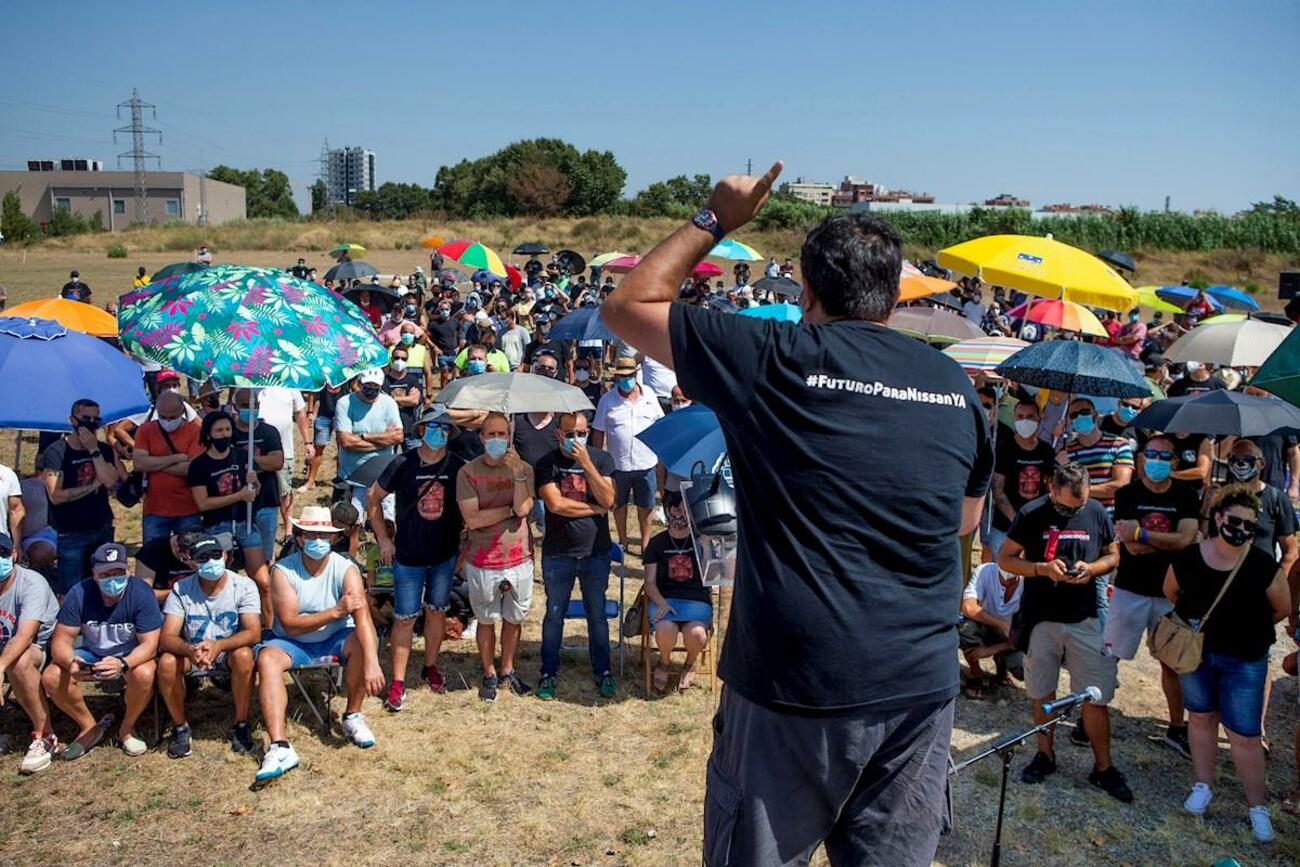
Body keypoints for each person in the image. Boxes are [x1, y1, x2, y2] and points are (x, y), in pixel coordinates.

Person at [602, 166, 994, 866]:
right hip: (918, 684)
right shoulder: (952, 384)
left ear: (806, 291)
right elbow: (965, 520)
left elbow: (630, 303)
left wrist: (716, 217)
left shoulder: (776, 358)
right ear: (894, 294)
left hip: (794, 681)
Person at [998, 463, 1132, 802]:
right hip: (1040, 619)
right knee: (1041, 692)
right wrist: (1041, 569)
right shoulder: (1031, 513)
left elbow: (1113, 555)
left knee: (1094, 696)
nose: (1074, 512)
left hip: (1084, 618)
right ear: (1051, 489)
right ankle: (1045, 755)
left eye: (1079, 505)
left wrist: (1093, 568)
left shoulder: (1096, 511)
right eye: (1066, 507)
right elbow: (1006, 559)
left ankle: (1103, 768)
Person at [1165, 485, 1290, 843]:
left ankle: (1257, 808)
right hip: (1198, 656)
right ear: (1218, 518)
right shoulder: (1189, 558)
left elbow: (1281, 608)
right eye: (1235, 521)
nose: (1241, 530)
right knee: (1201, 718)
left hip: (1245, 660)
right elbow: (1171, 592)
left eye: (1250, 525)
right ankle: (1202, 785)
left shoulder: (1262, 565)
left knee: (1245, 735)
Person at [255, 507, 385, 783]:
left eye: (324, 535)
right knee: (267, 659)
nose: (318, 540)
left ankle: (352, 715)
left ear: (334, 538)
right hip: (292, 641)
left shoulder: (346, 568)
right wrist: (335, 612)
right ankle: (279, 745)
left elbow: (362, 617)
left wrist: (373, 662)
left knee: (364, 642)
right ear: (299, 538)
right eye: (311, 534)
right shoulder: (282, 570)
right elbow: (290, 624)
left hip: (334, 638)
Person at [1104, 436, 1200, 756]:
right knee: (1110, 655)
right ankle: (1092, 712)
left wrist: (1142, 533)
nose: (1156, 460)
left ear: (1175, 462)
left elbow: (1186, 539)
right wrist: (1169, 541)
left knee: (1172, 664)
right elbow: (1131, 547)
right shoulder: (1127, 494)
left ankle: (1176, 727)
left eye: (1164, 456)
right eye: (1151, 454)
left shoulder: (1186, 496)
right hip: (1130, 588)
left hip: (1172, 592)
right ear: (1142, 457)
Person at [369, 408, 465, 707]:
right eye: (433, 426)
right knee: (405, 617)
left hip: (444, 555)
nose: (439, 432)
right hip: (408, 555)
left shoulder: (458, 465)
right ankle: (398, 682)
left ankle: (430, 666)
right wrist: (384, 539)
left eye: (445, 428)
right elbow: (373, 498)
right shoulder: (403, 462)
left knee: (437, 612)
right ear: (421, 429)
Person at [43, 543, 161, 760]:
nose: (113, 579)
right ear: (95, 574)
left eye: (118, 572)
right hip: (92, 652)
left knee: (145, 673)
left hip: (130, 654)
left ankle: (127, 727)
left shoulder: (142, 593)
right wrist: (71, 662)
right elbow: (60, 642)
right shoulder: (79, 593)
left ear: (128, 571)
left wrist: (123, 664)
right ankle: (89, 726)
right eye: (106, 574)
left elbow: (150, 645)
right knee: (52, 676)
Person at [534, 413, 617, 700]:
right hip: (559, 553)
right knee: (554, 614)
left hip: (595, 551)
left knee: (597, 616)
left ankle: (603, 671)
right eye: (569, 434)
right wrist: (595, 510)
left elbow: (609, 499)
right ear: (558, 434)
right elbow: (556, 505)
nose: (576, 439)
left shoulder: (602, 459)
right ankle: (548, 672)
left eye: (581, 433)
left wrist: (586, 464)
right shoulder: (546, 463)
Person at [156, 534, 261, 758]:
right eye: (203, 558)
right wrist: (190, 651)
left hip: (227, 652)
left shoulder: (243, 585)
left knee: (244, 655)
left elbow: (253, 632)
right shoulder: (181, 589)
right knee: (167, 662)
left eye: (215, 555)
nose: (211, 562)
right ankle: (180, 727)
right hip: (193, 653)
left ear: (225, 556)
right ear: (192, 563)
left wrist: (219, 645)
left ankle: (241, 724)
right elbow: (167, 637)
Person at [456, 413, 535, 703]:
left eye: (503, 434)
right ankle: (489, 672)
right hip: (483, 557)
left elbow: (524, 508)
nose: (497, 439)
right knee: (486, 618)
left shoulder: (523, 468)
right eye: (491, 434)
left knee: (514, 617)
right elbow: (473, 519)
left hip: (519, 556)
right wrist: (508, 511)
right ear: (481, 437)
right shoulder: (468, 473)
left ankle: (507, 670)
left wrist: (518, 475)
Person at [185, 411, 270, 624]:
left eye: (227, 429)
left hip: (245, 523)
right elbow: (203, 503)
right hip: (216, 526)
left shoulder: (243, 457)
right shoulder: (199, 465)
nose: (224, 434)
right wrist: (238, 496)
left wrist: (254, 483)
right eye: (219, 430)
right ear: (209, 434)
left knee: (263, 581)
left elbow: (253, 493)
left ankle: (269, 626)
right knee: (223, 580)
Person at [38, 399, 127, 595]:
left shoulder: (103, 450)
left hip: (101, 526)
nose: (91, 423)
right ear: (72, 420)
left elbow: (111, 482)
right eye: (86, 418)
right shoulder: (56, 452)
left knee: (104, 587)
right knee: (72, 591)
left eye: (96, 419)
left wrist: (94, 450)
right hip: (71, 531)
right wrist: (92, 486)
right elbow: (56, 495)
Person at [0, 532, 60, 773]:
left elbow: (25, 636)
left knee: (19, 662)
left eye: (2, 553)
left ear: (14, 554)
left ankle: (45, 735)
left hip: (40, 647)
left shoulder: (31, 583)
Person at [643, 491, 712, 693]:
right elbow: (649, 583)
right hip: (665, 599)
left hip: (696, 600)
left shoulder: (700, 541)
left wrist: (706, 546)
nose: (679, 516)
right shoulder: (657, 543)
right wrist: (661, 602)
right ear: (667, 512)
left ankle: (690, 663)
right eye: (675, 510)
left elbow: (713, 574)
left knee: (697, 634)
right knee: (665, 629)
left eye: (684, 511)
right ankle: (664, 662)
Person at [592, 357, 663, 553]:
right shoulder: (607, 400)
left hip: (646, 462)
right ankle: (623, 540)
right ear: (617, 377)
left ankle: (645, 543)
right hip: (618, 464)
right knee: (619, 505)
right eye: (622, 377)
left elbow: (660, 423)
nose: (626, 380)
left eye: (629, 376)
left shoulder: (650, 395)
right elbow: (598, 431)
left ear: (635, 374)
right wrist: (598, 461)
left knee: (645, 506)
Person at [334, 369, 403, 552]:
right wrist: (382, 442)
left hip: (383, 474)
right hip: (353, 475)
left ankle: (386, 558)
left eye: (375, 387)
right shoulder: (345, 403)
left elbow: (398, 436)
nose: (371, 391)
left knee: (388, 522)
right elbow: (346, 442)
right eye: (367, 386)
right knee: (352, 524)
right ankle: (351, 559)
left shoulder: (389, 403)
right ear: (359, 383)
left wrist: (364, 437)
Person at [132, 390, 203, 546]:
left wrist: (154, 463)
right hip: (154, 508)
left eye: (172, 417)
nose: (168, 421)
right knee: (153, 554)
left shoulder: (195, 432)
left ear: (182, 412)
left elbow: (191, 469)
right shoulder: (145, 430)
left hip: (188, 508)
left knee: (190, 553)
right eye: (163, 417)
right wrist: (177, 458)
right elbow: (139, 464)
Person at [990, 400, 1056, 562]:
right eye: (1020, 416)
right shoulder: (1003, 448)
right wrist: (1018, 521)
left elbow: (1050, 488)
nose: (1024, 420)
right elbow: (998, 491)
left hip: (1037, 527)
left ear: (1039, 419)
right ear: (1014, 418)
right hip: (1005, 527)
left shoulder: (1047, 450)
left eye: (1030, 416)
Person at [958, 561, 1023, 699]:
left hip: (1013, 638)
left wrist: (991, 650)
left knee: (1023, 669)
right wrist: (1002, 625)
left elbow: (1028, 634)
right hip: (987, 628)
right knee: (966, 628)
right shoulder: (985, 570)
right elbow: (968, 607)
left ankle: (1002, 667)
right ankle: (975, 672)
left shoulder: (1028, 583)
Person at [252, 386, 312, 536]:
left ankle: (288, 532)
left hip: (284, 451)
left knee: (284, 493)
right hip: (255, 452)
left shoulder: (290, 385)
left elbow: (300, 413)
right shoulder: (252, 385)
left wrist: (307, 443)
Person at [1060, 398, 1134, 515]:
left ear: (1095, 415)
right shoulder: (1066, 452)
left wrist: (1080, 491)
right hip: (1079, 518)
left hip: (1110, 518)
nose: (1079, 417)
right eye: (1074, 415)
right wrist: (1064, 466)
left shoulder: (1119, 444)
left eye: (1084, 412)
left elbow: (1121, 486)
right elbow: (1060, 490)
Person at [136, 526, 205, 604]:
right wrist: (181, 592)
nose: (194, 566)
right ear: (176, 546)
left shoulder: (208, 549)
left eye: (199, 559)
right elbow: (142, 595)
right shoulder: (152, 551)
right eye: (186, 559)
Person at [382, 345, 423, 436]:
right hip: (389, 430)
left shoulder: (413, 380)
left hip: (409, 429)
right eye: (397, 358)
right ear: (391, 359)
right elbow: (383, 403)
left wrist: (393, 399)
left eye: (403, 359)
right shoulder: (383, 381)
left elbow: (414, 401)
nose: (400, 361)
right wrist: (407, 399)